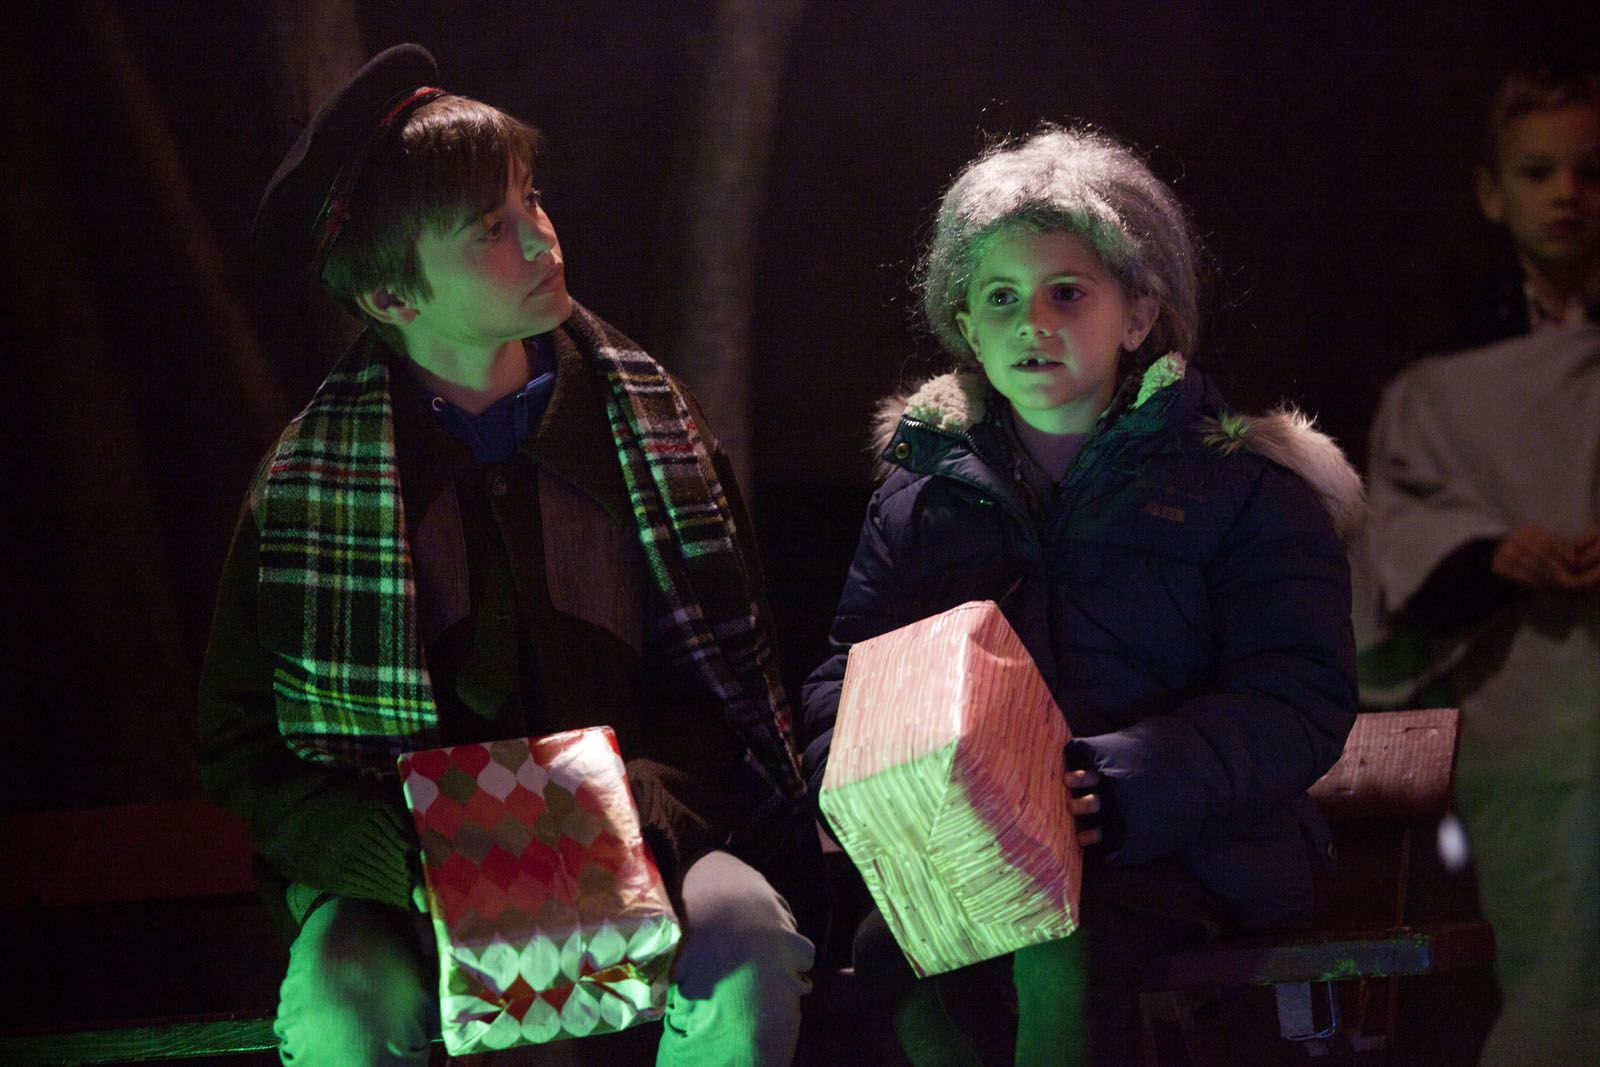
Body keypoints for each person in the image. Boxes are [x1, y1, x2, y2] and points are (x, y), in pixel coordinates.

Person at [197, 43, 814, 1067]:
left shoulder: (650, 433)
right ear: (393, 298)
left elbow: (723, 685)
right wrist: (414, 854)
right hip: (406, 878)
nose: (540, 236)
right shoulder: (309, 490)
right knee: (343, 1012)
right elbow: (243, 750)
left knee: (746, 959)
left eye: (532, 198)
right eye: (490, 227)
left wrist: (629, 813)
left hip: (642, 838)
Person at [801, 125, 1362, 1066]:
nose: (1034, 322)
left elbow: (1296, 692)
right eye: (1001, 297)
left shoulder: (1239, 484)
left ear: (1138, 315)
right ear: (966, 326)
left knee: (1061, 942)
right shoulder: (921, 495)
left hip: (1182, 847)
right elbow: (847, 677)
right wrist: (870, 781)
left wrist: (1121, 784)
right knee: (892, 953)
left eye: (1068, 292)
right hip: (985, 851)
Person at [1356, 68, 1600, 1066]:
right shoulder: (1439, 388)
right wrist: (1493, 551)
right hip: (1530, 719)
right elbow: (1395, 552)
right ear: (1493, 193)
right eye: (1538, 172)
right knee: (1558, 970)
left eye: (1590, 171)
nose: (1567, 193)